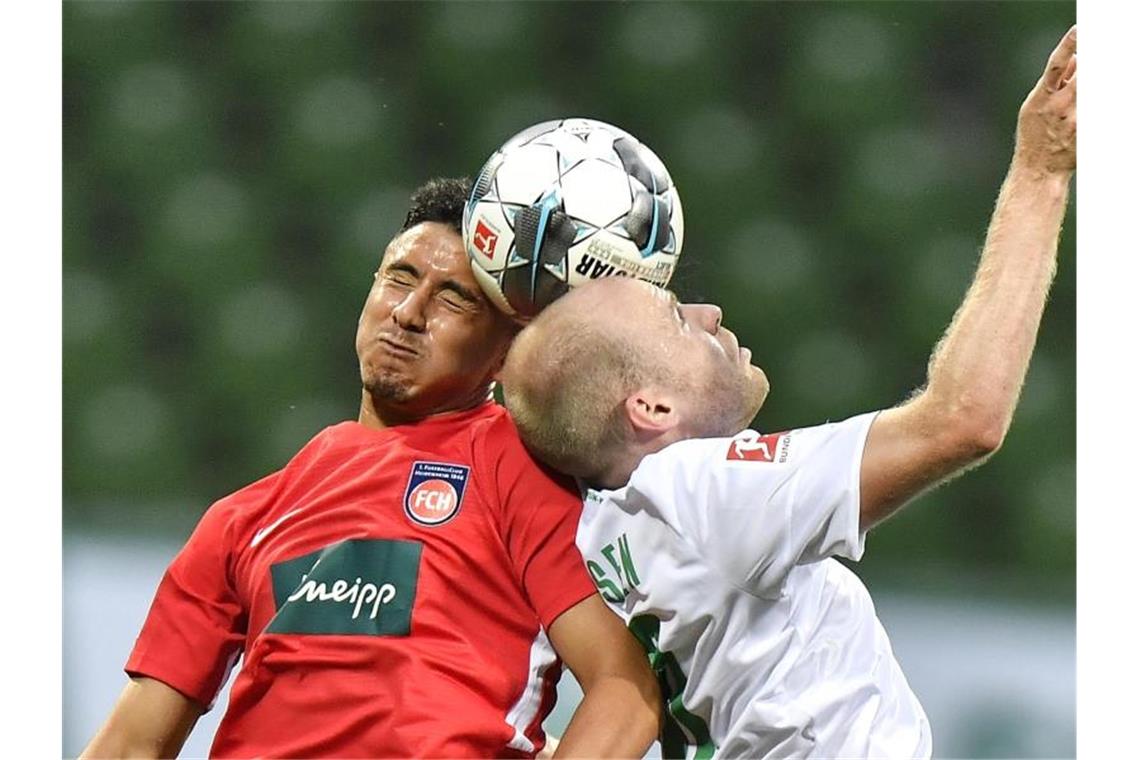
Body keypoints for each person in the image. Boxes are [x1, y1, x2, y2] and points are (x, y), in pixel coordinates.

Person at [500, 27, 1076, 760]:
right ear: (650, 410)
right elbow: (965, 420)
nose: (709, 314)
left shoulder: (600, 532)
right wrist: (1041, 172)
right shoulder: (694, 491)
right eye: (678, 318)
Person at [80, 178, 661, 759]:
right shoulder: (239, 520)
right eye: (399, 278)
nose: (408, 313)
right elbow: (130, 747)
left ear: (508, 353)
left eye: (454, 298)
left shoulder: (520, 465)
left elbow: (624, 690)